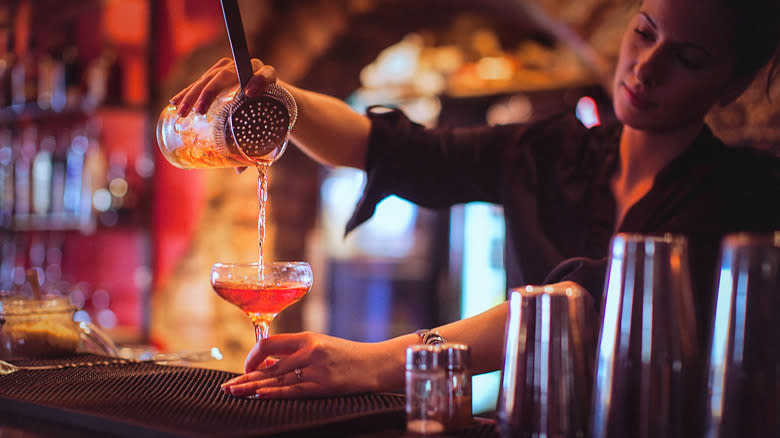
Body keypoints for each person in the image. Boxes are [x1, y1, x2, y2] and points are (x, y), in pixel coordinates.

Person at [169, 0, 780, 398]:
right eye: (644, 33)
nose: (646, 68)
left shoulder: (742, 194)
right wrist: (278, 96)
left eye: (688, 59)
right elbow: (388, 147)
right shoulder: (555, 149)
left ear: (732, 85)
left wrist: (379, 362)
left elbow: (588, 304)